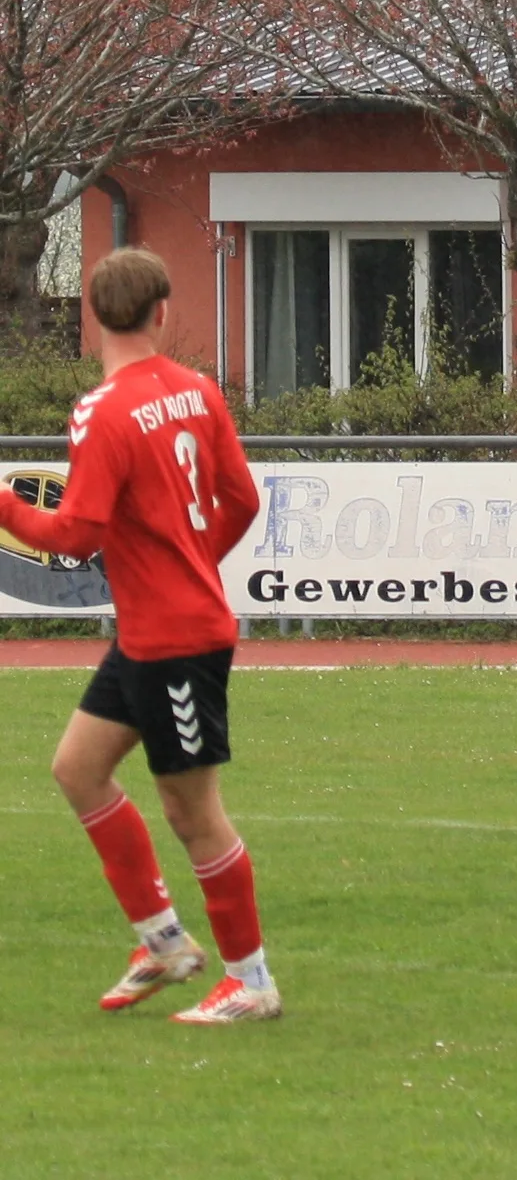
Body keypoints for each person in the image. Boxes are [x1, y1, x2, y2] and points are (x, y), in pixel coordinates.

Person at [0, 248, 279, 1022]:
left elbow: (73, 536)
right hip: (156, 628)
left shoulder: (102, 411)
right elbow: (243, 499)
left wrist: (3, 502)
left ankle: (251, 981)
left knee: (193, 812)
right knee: (78, 768)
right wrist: (192, 561)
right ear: (162, 311)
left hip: (175, 638)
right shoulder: (198, 391)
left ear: (93, 316)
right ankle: (163, 941)